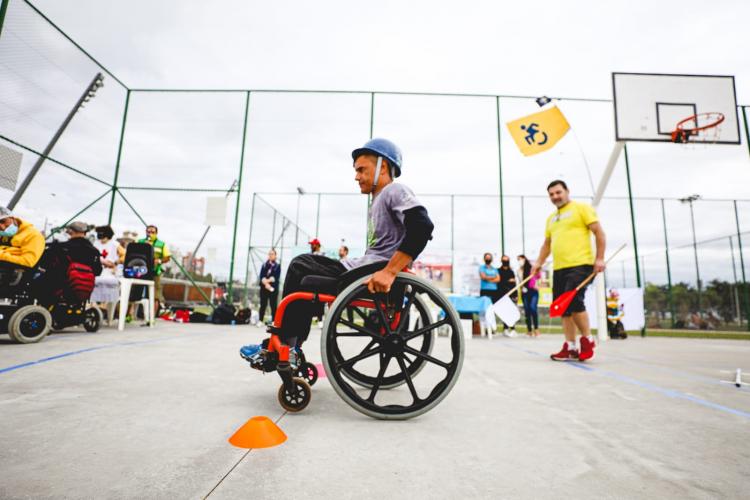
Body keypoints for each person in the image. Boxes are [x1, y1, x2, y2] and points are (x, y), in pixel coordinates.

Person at [241, 138, 434, 362]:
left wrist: (390, 272)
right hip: (366, 267)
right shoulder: (378, 200)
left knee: (300, 265)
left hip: (373, 270)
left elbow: (422, 226)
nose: (356, 176)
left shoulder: (394, 190)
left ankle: (285, 347)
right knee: (304, 275)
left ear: (382, 167)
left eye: (362, 169)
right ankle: (290, 347)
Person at [530, 180, 606, 362]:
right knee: (562, 308)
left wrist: (600, 258)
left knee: (574, 302)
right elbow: (547, 244)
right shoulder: (551, 219)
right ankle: (570, 347)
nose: (555, 196)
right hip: (559, 268)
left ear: (567, 191)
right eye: (552, 194)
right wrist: (538, 263)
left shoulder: (582, 209)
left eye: (558, 192)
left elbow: (599, 233)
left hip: (581, 264)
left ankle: (587, 340)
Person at [138, 225, 170, 312]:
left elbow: (167, 257)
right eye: (148, 232)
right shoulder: (140, 241)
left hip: (155, 271)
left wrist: (159, 261)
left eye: (153, 232)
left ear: (156, 233)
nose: (150, 234)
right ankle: (129, 315)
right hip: (141, 270)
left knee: (155, 295)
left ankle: (152, 316)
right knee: (135, 291)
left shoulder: (161, 244)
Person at [91, 225, 123, 305]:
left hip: (110, 271)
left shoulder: (115, 244)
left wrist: (115, 263)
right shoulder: (96, 244)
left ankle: (105, 306)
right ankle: (95, 306)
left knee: (108, 289)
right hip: (97, 270)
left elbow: (124, 255)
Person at [518, 254, 541, 337]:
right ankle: (529, 330)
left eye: (521, 259)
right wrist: (521, 287)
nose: (520, 261)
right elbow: (520, 281)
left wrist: (537, 273)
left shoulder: (532, 269)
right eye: (518, 260)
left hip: (533, 291)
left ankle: (536, 329)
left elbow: (538, 276)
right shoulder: (519, 271)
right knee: (527, 310)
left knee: (533, 308)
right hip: (524, 291)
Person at [497, 255, 518, 337]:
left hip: (511, 294)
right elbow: (499, 282)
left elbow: (513, 284)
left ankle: (513, 329)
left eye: (507, 260)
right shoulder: (498, 271)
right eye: (504, 260)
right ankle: (505, 329)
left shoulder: (511, 271)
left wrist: (515, 295)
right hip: (502, 294)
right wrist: (507, 281)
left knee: (511, 312)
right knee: (504, 312)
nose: (505, 262)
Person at [258, 249, 281, 325]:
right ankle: (260, 320)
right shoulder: (264, 265)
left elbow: (275, 277)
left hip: (273, 289)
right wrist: (265, 283)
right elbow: (262, 276)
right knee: (263, 304)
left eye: (272, 254)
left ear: (275, 255)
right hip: (264, 288)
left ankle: (274, 321)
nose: (270, 255)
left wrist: (267, 282)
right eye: (269, 254)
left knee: (273, 305)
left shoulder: (277, 266)